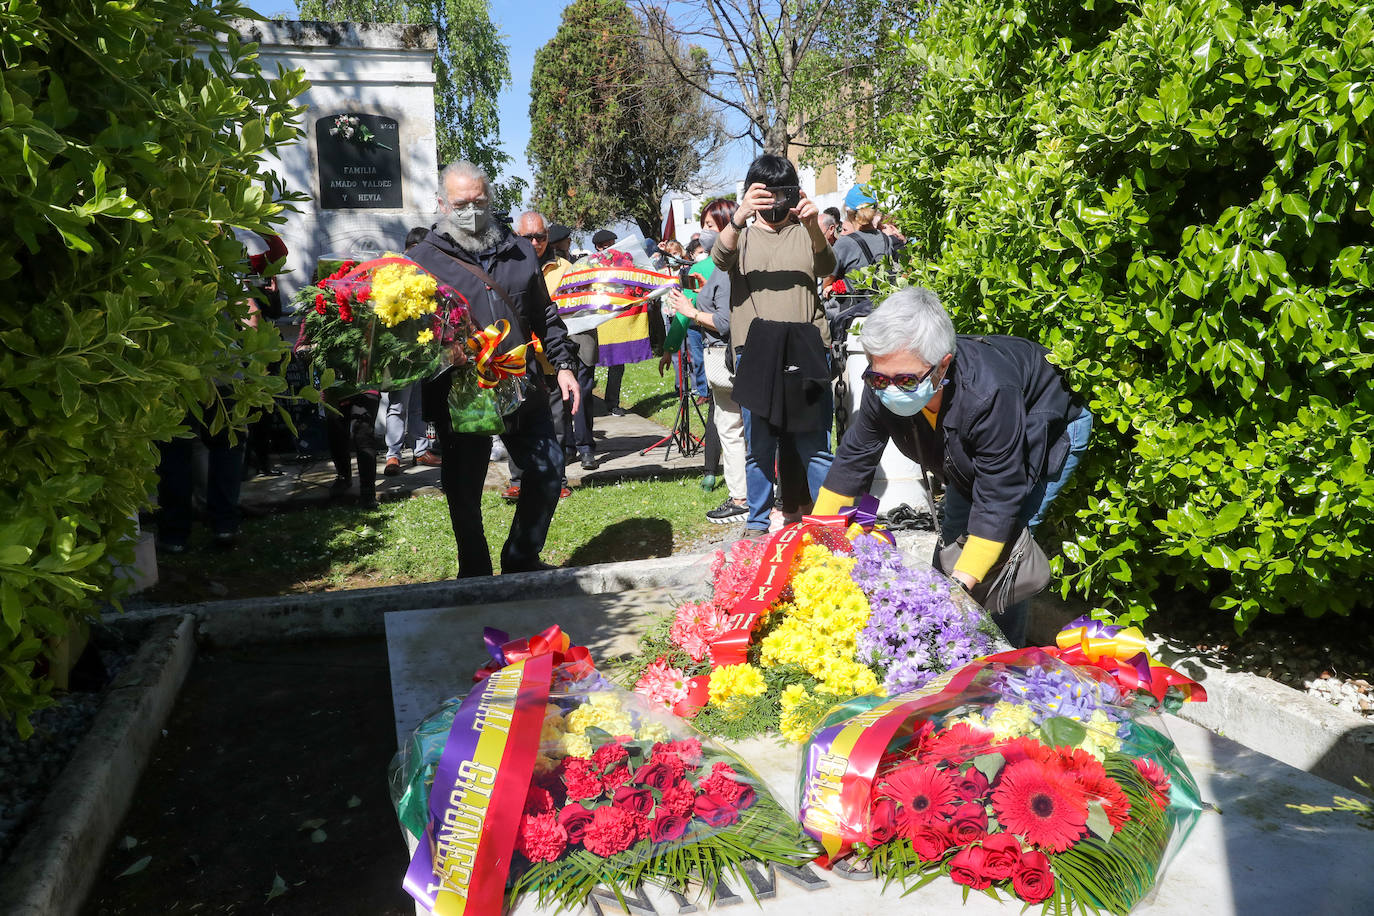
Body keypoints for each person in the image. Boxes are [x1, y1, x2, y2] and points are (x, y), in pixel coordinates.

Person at [813, 287, 1093, 646]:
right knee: (956, 537)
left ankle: (1001, 655)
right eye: (880, 377)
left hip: (1047, 428)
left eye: (906, 380)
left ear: (942, 365)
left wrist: (959, 589)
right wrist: (815, 539)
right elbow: (853, 459)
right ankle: (942, 642)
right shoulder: (883, 379)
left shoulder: (990, 392)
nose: (890, 388)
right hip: (974, 451)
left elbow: (999, 501)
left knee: (1004, 550)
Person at [410, 161, 581, 577]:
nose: (470, 210)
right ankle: (474, 568)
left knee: (547, 469)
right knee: (464, 488)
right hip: (461, 391)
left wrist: (563, 365)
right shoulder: (421, 260)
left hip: (520, 381)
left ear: (490, 199)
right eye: (460, 203)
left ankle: (521, 558)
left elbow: (545, 313)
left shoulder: (519, 250)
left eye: (478, 201)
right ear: (441, 205)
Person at [711, 155, 836, 535]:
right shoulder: (742, 236)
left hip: (806, 347)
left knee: (815, 443)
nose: (775, 201)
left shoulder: (805, 231)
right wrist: (739, 214)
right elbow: (719, 258)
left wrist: (813, 224)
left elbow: (827, 267)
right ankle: (757, 522)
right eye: (765, 193)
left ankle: (829, 523)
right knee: (759, 446)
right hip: (756, 351)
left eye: (783, 192)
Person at [664, 224, 749, 524]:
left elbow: (726, 322)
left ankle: (741, 497)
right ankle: (742, 491)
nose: (705, 232)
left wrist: (691, 311)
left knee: (731, 426)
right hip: (726, 360)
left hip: (727, 360)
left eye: (711, 226)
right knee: (730, 425)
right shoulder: (720, 271)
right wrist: (702, 292)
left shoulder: (725, 271)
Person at [504, 211, 575, 499]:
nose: (534, 242)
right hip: (518, 359)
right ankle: (518, 480)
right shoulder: (509, 266)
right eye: (527, 237)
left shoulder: (565, 268)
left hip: (553, 358)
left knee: (557, 421)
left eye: (540, 237)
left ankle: (557, 479)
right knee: (514, 419)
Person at [383, 226, 442, 477]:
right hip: (401, 350)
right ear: (415, 249)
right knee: (398, 404)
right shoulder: (393, 271)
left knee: (419, 403)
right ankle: (393, 455)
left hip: (422, 346)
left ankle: (420, 450)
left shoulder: (425, 271)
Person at [590, 229, 629, 415]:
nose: (614, 248)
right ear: (600, 247)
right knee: (588, 362)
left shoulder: (623, 263)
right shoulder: (589, 265)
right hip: (596, 320)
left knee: (617, 363)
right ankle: (584, 404)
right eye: (611, 244)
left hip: (615, 320)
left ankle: (612, 403)